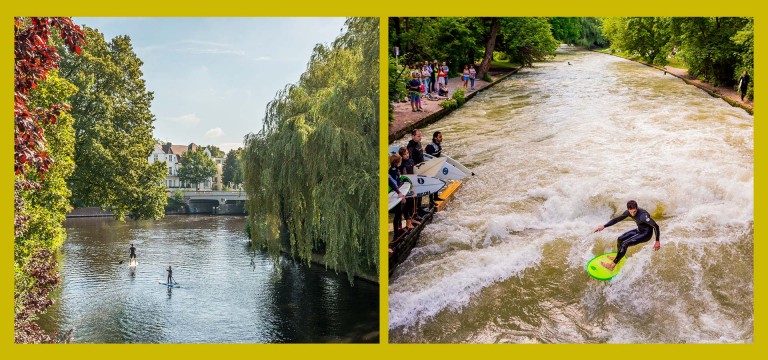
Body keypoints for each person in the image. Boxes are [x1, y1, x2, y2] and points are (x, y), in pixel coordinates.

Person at [594, 200, 661, 271]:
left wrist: (657, 241)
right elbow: (616, 220)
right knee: (620, 239)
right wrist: (604, 226)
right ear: (628, 209)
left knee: (625, 244)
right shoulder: (628, 212)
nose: (633, 214)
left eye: (634, 211)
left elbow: (656, 226)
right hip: (639, 230)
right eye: (631, 212)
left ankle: (612, 265)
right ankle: (618, 258)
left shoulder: (643, 216)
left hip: (646, 234)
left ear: (637, 208)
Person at [389, 154, 408, 236]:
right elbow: (393, 183)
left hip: (398, 191)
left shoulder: (396, 169)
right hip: (394, 193)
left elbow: (398, 181)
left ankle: (400, 228)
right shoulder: (393, 171)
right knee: (397, 214)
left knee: (400, 212)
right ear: (397, 162)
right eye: (400, 160)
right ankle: (397, 233)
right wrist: (399, 193)